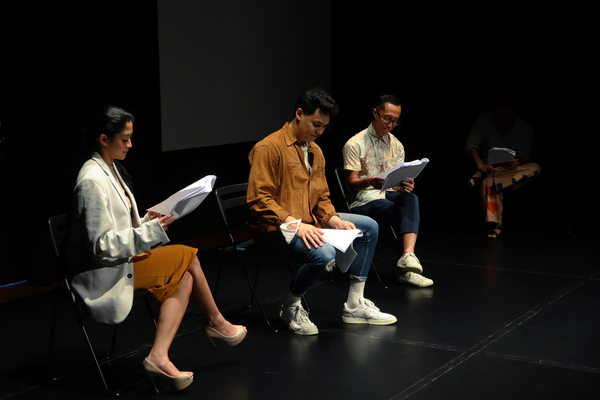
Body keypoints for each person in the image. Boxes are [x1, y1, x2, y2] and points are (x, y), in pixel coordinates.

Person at [67, 105, 247, 393]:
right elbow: (101, 244)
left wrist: (146, 222)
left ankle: (159, 356)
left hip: (123, 260)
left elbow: (118, 224)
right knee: (188, 254)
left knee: (186, 275)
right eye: (124, 139)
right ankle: (216, 321)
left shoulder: (109, 168)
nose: (129, 144)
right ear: (104, 138)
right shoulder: (91, 180)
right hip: (103, 272)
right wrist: (150, 231)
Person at [247, 87, 397, 336]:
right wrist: (294, 223)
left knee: (368, 226)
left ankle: (354, 305)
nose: (319, 131)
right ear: (298, 114)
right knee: (324, 253)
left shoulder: (315, 151)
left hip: (310, 221)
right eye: (316, 124)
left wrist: (333, 218)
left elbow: (322, 197)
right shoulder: (269, 148)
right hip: (276, 228)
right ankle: (291, 303)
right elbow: (258, 199)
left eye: (324, 126)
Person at [342, 94, 433, 288]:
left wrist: (404, 186)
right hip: (362, 200)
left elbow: (395, 184)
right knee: (395, 210)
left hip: (385, 194)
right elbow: (351, 183)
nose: (390, 124)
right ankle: (406, 271)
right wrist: (369, 181)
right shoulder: (355, 143)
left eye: (395, 121)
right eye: (386, 118)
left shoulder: (397, 145)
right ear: (375, 113)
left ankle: (408, 256)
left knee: (410, 198)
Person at [465, 99, 540, 239]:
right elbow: (471, 145)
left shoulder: (524, 127)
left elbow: (525, 155)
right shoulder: (484, 120)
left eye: (508, 115)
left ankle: (482, 176)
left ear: (515, 111)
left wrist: (517, 162)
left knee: (535, 168)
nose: (504, 119)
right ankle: (495, 225)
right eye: (500, 115)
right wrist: (481, 165)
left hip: (510, 171)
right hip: (489, 168)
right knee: (489, 182)